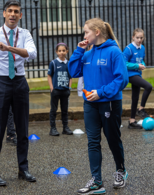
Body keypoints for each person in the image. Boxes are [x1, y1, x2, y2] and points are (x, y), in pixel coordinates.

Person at [0, 0, 37, 186]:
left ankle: (23, 169)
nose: (12, 14)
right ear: (4, 14)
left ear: (21, 15)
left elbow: (32, 54)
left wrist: (8, 48)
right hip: (1, 82)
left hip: (20, 82)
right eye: (9, 11)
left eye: (16, 11)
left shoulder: (25, 33)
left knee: (22, 129)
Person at [68, 18, 129, 195]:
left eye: (86, 32)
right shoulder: (86, 53)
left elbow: (122, 79)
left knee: (112, 139)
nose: (84, 35)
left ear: (96, 32)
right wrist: (79, 50)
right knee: (93, 142)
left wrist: (101, 92)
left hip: (109, 103)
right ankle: (97, 181)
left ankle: (121, 171)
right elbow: (73, 71)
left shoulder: (114, 52)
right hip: (90, 105)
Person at [123, 28, 152, 129]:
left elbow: (142, 60)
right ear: (133, 37)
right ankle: (141, 109)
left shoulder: (142, 48)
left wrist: (142, 65)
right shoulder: (129, 49)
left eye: (141, 38)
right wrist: (137, 66)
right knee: (148, 86)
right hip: (130, 75)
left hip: (137, 74)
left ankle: (132, 122)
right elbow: (124, 64)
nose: (139, 40)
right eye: (137, 37)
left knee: (135, 97)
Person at [48, 43, 73, 136]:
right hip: (56, 90)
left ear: (67, 51)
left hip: (65, 90)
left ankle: (65, 128)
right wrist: (51, 87)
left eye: (63, 50)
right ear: (56, 52)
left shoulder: (69, 63)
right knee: (53, 110)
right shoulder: (53, 63)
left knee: (65, 110)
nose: (61, 52)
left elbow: (70, 77)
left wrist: (69, 88)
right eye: (59, 51)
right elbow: (49, 75)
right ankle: (53, 128)